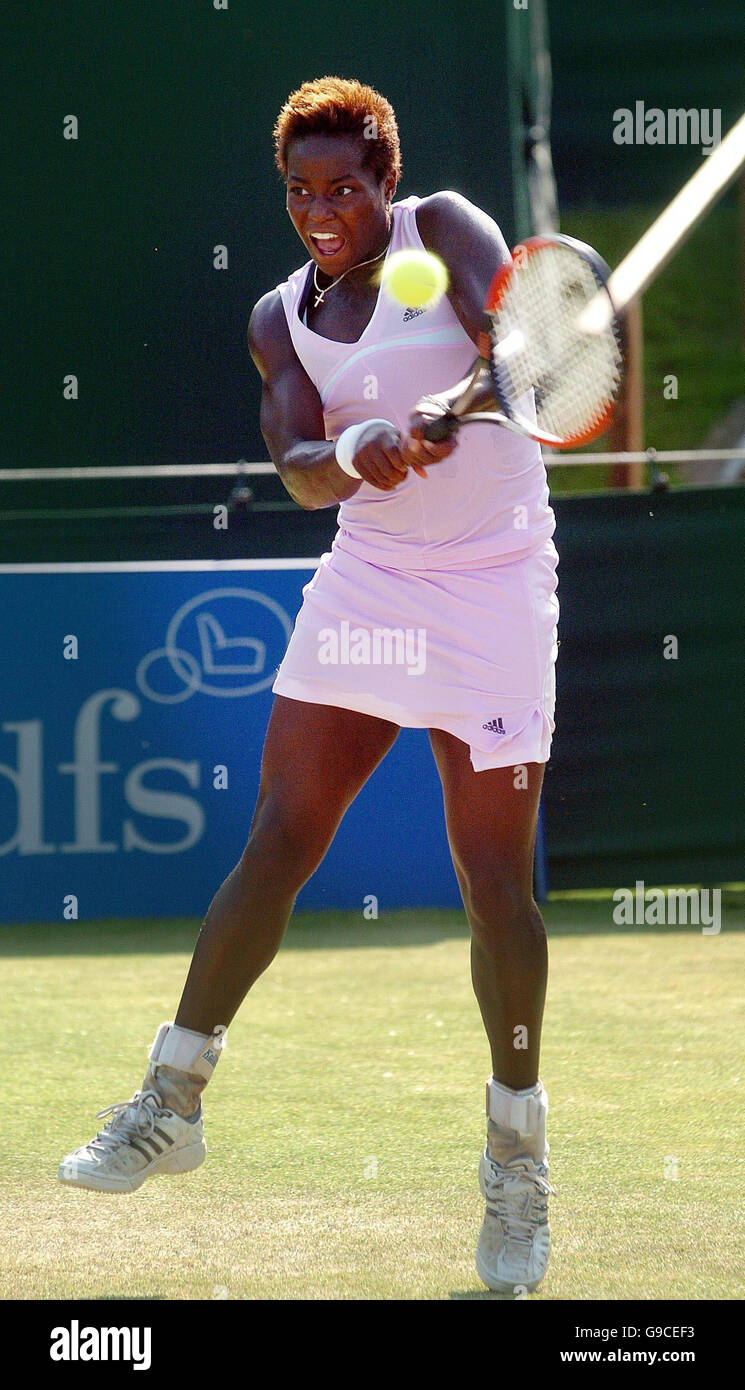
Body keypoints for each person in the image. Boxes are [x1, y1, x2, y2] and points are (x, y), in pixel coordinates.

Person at [59, 76, 559, 1297]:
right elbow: (293, 465)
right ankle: (171, 1100)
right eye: (301, 191)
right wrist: (353, 450)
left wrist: (467, 396)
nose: (322, 210)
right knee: (280, 834)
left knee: (494, 884)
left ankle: (515, 1159)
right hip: (374, 588)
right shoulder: (279, 315)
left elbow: (521, 355)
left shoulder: (443, 232)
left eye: (345, 188)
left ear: (387, 182)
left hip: (494, 591)